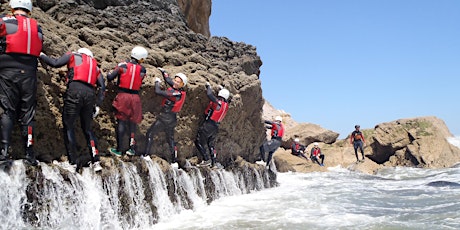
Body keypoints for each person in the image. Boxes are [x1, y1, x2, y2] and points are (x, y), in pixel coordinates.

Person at [39, 48, 105, 172]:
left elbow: (55, 63)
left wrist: (42, 55)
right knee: (87, 129)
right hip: (90, 94)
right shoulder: (95, 66)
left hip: (75, 89)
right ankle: (96, 161)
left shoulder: (74, 55)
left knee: (69, 125)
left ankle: (73, 162)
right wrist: (97, 105)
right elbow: (102, 86)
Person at [0, 0, 43, 166]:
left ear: (13, 7)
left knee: (8, 111)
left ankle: (4, 153)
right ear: (29, 10)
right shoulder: (37, 27)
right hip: (29, 74)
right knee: (28, 114)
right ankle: (30, 154)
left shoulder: (6, 21)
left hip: (7, 72)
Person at [107, 46, 148, 157]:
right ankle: (131, 149)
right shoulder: (143, 69)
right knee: (133, 123)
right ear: (141, 58)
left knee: (121, 121)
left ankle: (119, 150)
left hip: (123, 96)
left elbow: (110, 77)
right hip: (135, 97)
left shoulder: (123, 65)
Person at [143, 68, 187, 165]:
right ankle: (174, 161)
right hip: (172, 118)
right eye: (175, 80)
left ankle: (146, 155)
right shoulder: (179, 90)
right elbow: (168, 80)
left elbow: (158, 92)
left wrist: (157, 82)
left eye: (178, 82)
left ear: (182, 84)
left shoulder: (175, 93)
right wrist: (164, 72)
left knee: (150, 133)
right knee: (170, 138)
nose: (175, 82)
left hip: (165, 118)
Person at [195, 82, 230, 168]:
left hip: (209, 124)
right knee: (210, 144)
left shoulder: (218, 103)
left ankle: (206, 159)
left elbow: (209, 95)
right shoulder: (226, 105)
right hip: (216, 127)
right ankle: (214, 162)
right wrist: (221, 89)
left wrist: (208, 87)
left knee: (199, 141)